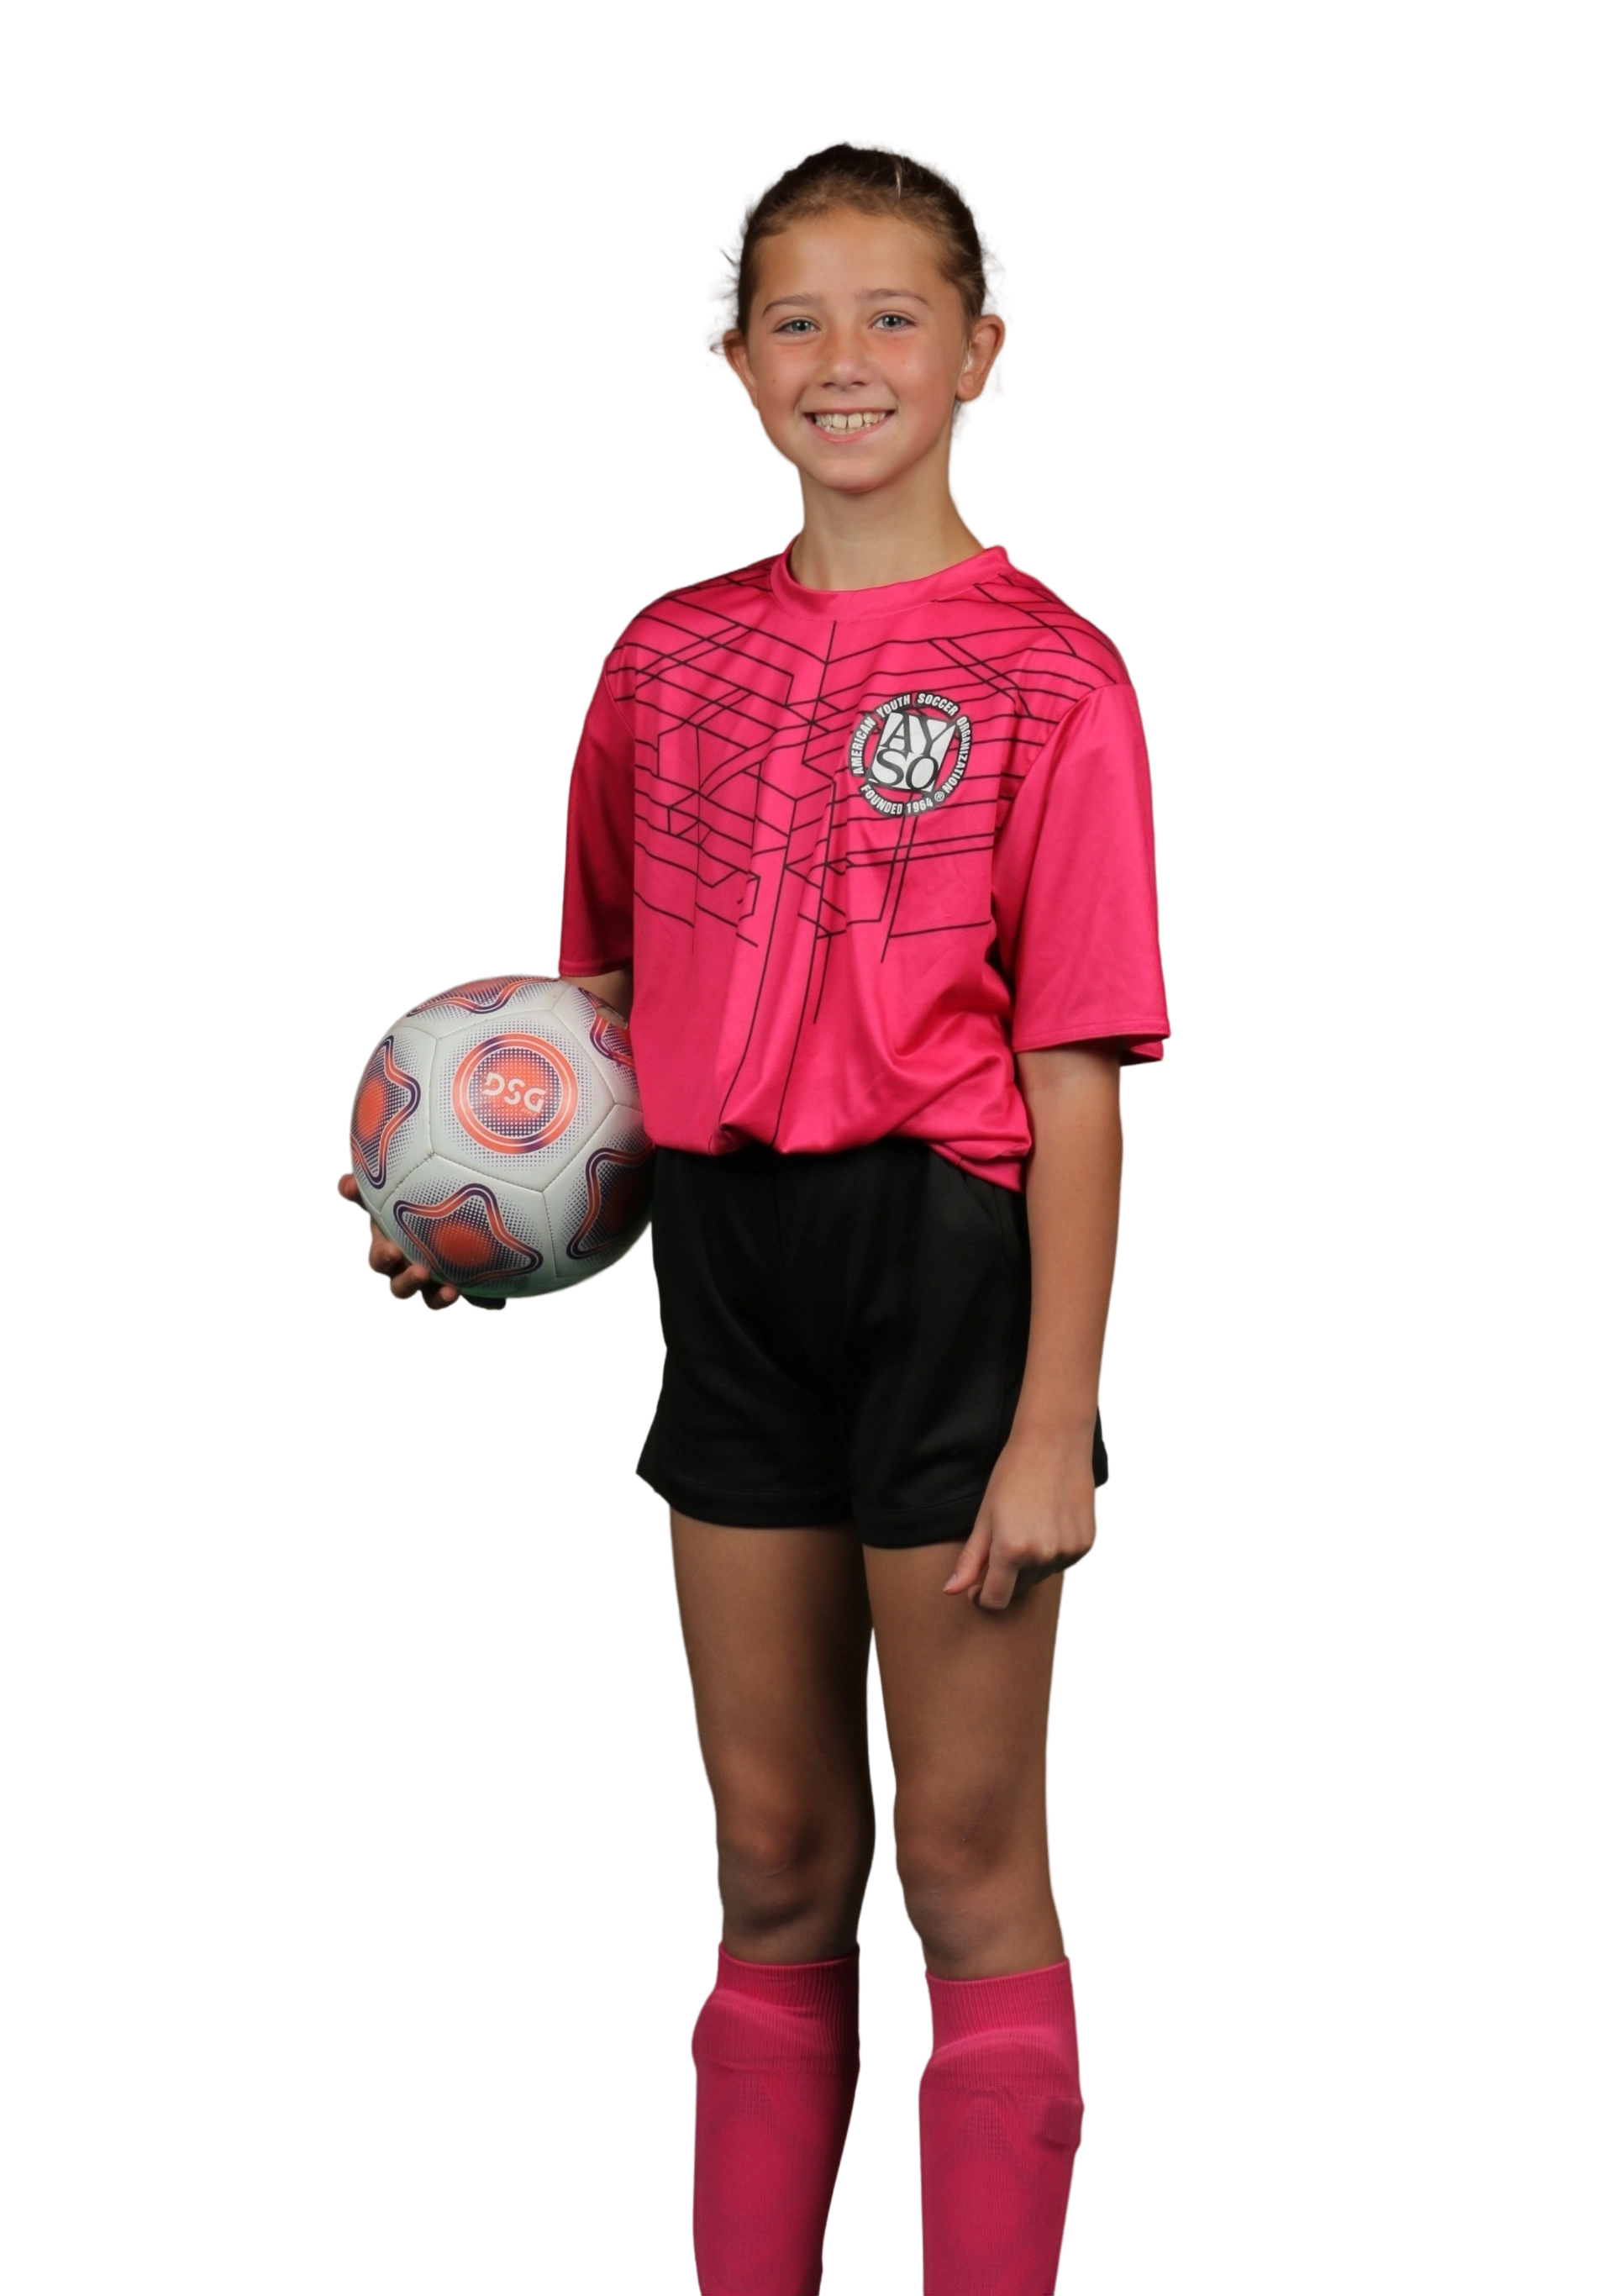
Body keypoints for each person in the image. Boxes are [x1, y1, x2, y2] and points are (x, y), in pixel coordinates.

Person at [339, 132, 1171, 2296]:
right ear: (728, 355)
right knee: (775, 1855)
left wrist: (1055, 1425)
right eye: (795, 316)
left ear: (985, 354)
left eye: (895, 312)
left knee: (965, 1865)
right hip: (729, 1266)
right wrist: (465, 1209)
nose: (843, 356)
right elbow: (598, 1030)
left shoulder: (1056, 678)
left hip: (949, 1267)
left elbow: (1075, 1067)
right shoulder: (662, 660)